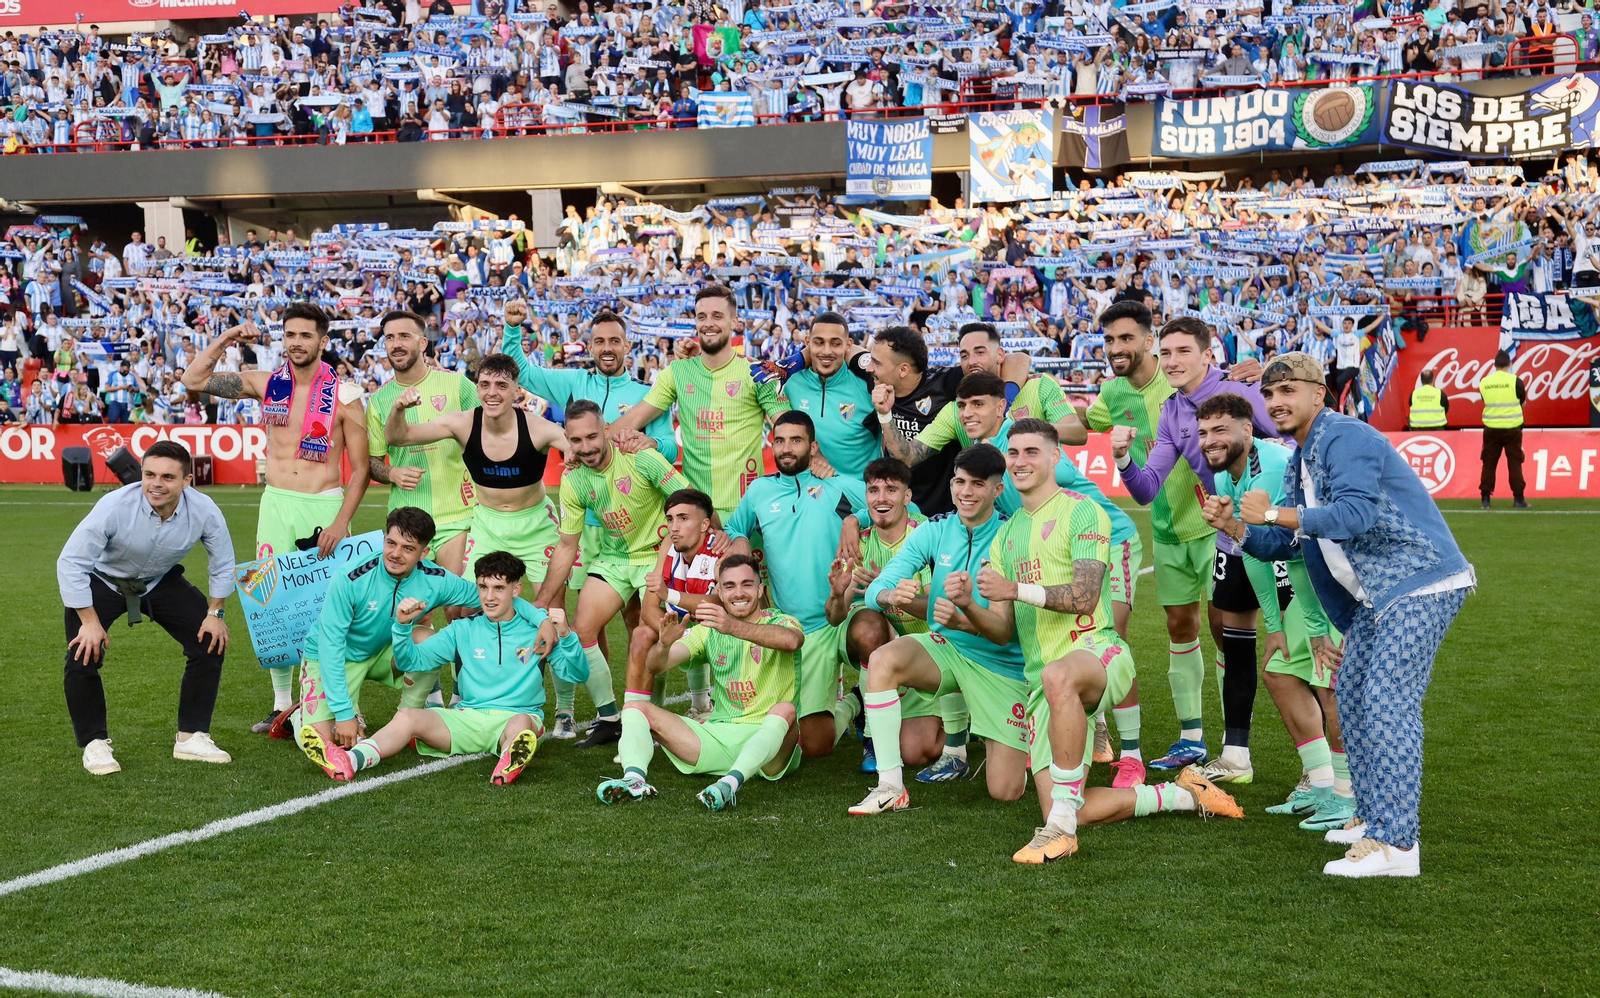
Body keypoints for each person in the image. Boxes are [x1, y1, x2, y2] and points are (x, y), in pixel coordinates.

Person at [1207, 352, 1474, 878]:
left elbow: (1354, 515)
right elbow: (1285, 542)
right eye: (1270, 393)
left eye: (1289, 390)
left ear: (1318, 394)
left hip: (1420, 583)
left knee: (1385, 702)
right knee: (1352, 698)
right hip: (1377, 597)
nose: (1277, 401)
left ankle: (1396, 846)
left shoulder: (1346, 437)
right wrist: (1239, 528)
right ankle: (1371, 818)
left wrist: (1275, 514)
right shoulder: (1302, 455)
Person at [959, 420, 1243, 863]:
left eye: (1031, 451)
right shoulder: (1006, 534)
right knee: (1070, 806)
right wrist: (968, 609)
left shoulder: (1082, 511)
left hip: (1097, 650)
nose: (1020, 461)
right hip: (1044, 684)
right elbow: (1002, 630)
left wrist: (1015, 590)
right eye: (1013, 453)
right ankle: (1183, 794)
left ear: (1056, 457)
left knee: (1059, 677)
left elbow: (1087, 598)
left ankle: (1060, 834)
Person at [182, 303, 370, 732]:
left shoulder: (347, 395)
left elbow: (360, 468)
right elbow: (193, 380)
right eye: (290, 335)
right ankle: (282, 705)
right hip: (276, 503)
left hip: (323, 506)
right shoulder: (267, 384)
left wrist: (341, 522)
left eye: (306, 336)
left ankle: (344, 704)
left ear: (323, 341)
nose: (297, 343)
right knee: (271, 602)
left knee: (331, 609)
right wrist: (229, 336)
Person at [1112, 315, 1277, 783]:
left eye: (1184, 351)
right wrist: (1123, 458)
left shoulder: (1241, 394)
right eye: (1165, 353)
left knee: (1293, 645)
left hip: (1275, 535)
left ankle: (1326, 773)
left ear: (1209, 354)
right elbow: (1146, 490)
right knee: (1244, 638)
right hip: (1231, 535)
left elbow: (1288, 440)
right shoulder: (1172, 410)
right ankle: (1217, 747)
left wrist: (1270, 375)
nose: (1172, 361)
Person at [1195, 392, 1353, 833]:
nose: (1210, 440)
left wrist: (1317, 624)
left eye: (1220, 430)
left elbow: (1299, 544)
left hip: (1328, 584)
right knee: (1280, 672)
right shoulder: (1227, 477)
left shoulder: (1278, 464)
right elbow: (1252, 551)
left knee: (1330, 686)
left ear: (1248, 430)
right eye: (1204, 432)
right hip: (1297, 589)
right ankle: (1321, 781)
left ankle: (1348, 795)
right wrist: (1275, 625)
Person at [849, 444, 1033, 813]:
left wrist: (964, 610)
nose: (965, 492)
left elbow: (1001, 634)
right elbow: (873, 591)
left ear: (998, 491)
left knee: (1005, 790)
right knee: (883, 661)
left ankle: (1017, 730)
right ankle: (890, 786)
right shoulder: (936, 529)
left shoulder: (1012, 537)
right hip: (946, 648)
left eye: (977, 484)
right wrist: (890, 595)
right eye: (959, 482)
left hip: (1001, 666)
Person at [310, 551, 587, 784]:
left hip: (518, 716)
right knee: (408, 716)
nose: (489, 597)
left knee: (521, 725)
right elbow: (411, 663)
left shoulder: (537, 632)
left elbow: (576, 674)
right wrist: (403, 626)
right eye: (482, 587)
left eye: (499, 588)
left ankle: (509, 758)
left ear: (516, 589)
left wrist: (566, 635)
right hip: (466, 718)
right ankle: (350, 759)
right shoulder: (461, 630)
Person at [1083, 301, 1217, 771]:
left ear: (1147, 341)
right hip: (1165, 529)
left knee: (1227, 632)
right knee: (1180, 628)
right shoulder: (1110, 395)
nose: (1116, 348)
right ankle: (1192, 736)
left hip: (1215, 525)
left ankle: (1238, 744)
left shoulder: (1180, 380)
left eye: (1125, 339)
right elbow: (1084, 424)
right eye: (1109, 340)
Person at [56, 441, 235, 775]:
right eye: (149, 474)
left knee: (209, 641)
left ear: (187, 481)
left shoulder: (205, 510)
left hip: (158, 579)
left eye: (168, 476)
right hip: (103, 580)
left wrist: (215, 614)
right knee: (82, 652)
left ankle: (191, 736)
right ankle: (94, 744)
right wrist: (90, 622)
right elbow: (71, 563)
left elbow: (223, 564)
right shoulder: (115, 506)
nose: (155, 483)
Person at [725, 411, 885, 760]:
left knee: (872, 631)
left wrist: (854, 519)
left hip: (841, 615)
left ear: (813, 447)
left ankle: (876, 734)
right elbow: (735, 528)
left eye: (796, 440)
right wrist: (739, 546)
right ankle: (855, 702)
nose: (786, 448)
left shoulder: (837, 486)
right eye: (779, 440)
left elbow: (894, 505)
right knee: (815, 746)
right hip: (793, 629)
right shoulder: (760, 491)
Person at [596, 554, 803, 811]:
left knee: (785, 710)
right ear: (719, 592)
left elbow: (791, 641)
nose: (739, 593)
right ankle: (634, 780)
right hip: (719, 738)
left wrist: (732, 627)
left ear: (761, 589)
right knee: (635, 708)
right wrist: (664, 643)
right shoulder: (709, 630)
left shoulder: (781, 621)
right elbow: (656, 665)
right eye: (729, 586)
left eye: (747, 584)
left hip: (772, 750)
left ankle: (730, 784)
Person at [534, 398, 684, 748]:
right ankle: (610, 718)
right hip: (614, 557)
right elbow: (567, 545)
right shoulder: (572, 480)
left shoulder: (641, 457)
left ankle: (652, 717)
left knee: (647, 633)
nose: (585, 447)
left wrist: (689, 548)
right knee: (582, 629)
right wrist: (541, 600)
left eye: (591, 437)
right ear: (567, 441)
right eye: (576, 441)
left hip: (655, 554)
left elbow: (689, 502)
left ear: (606, 431)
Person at [293, 507, 484, 779]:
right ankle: (297, 716)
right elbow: (330, 646)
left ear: (424, 553)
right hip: (333, 656)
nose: (395, 554)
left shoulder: (435, 579)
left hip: (384, 652)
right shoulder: (350, 578)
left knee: (427, 640)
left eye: (408, 548)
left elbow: (488, 599)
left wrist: (538, 616)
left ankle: (407, 718)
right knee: (326, 741)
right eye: (391, 543)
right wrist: (345, 714)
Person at [606, 284, 790, 520]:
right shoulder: (678, 371)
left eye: (717, 316)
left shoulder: (757, 372)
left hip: (746, 512)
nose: (708, 323)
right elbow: (634, 418)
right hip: (696, 513)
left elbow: (787, 428)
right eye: (701, 317)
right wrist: (593, 441)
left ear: (734, 321)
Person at [382, 353, 564, 582]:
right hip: (487, 524)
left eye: (501, 385)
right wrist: (398, 408)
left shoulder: (540, 429)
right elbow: (398, 438)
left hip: (536, 523)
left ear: (517, 391)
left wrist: (580, 453)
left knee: (551, 607)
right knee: (467, 607)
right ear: (477, 388)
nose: (492, 393)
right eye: (485, 385)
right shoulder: (462, 424)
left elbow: (585, 449)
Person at [365, 310, 481, 575]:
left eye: (405, 336)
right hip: (406, 521)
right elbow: (372, 462)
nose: (396, 344)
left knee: (460, 606)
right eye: (390, 338)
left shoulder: (458, 384)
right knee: (413, 608)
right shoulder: (378, 401)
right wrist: (392, 472)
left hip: (459, 514)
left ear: (422, 342)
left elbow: (486, 438)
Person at [626, 488, 722, 722]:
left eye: (683, 518)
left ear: (704, 524)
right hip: (685, 630)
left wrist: (670, 595)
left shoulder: (721, 549)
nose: (674, 527)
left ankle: (713, 708)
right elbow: (649, 607)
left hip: (718, 632)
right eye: (670, 519)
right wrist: (668, 632)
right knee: (641, 635)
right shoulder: (668, 544)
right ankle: (639, 721)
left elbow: (720, 603)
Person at [1476, 349, 1529, 509]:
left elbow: (1485, 400)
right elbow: (1523, 403)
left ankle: (1485, 499)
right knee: (1515, 464)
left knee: (1489, 464)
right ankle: (1518, 499)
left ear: (1494, 365)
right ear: (1509, 364)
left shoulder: (1485, 382)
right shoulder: (1516, 381)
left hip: (1491, 429)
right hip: (1513, 429)